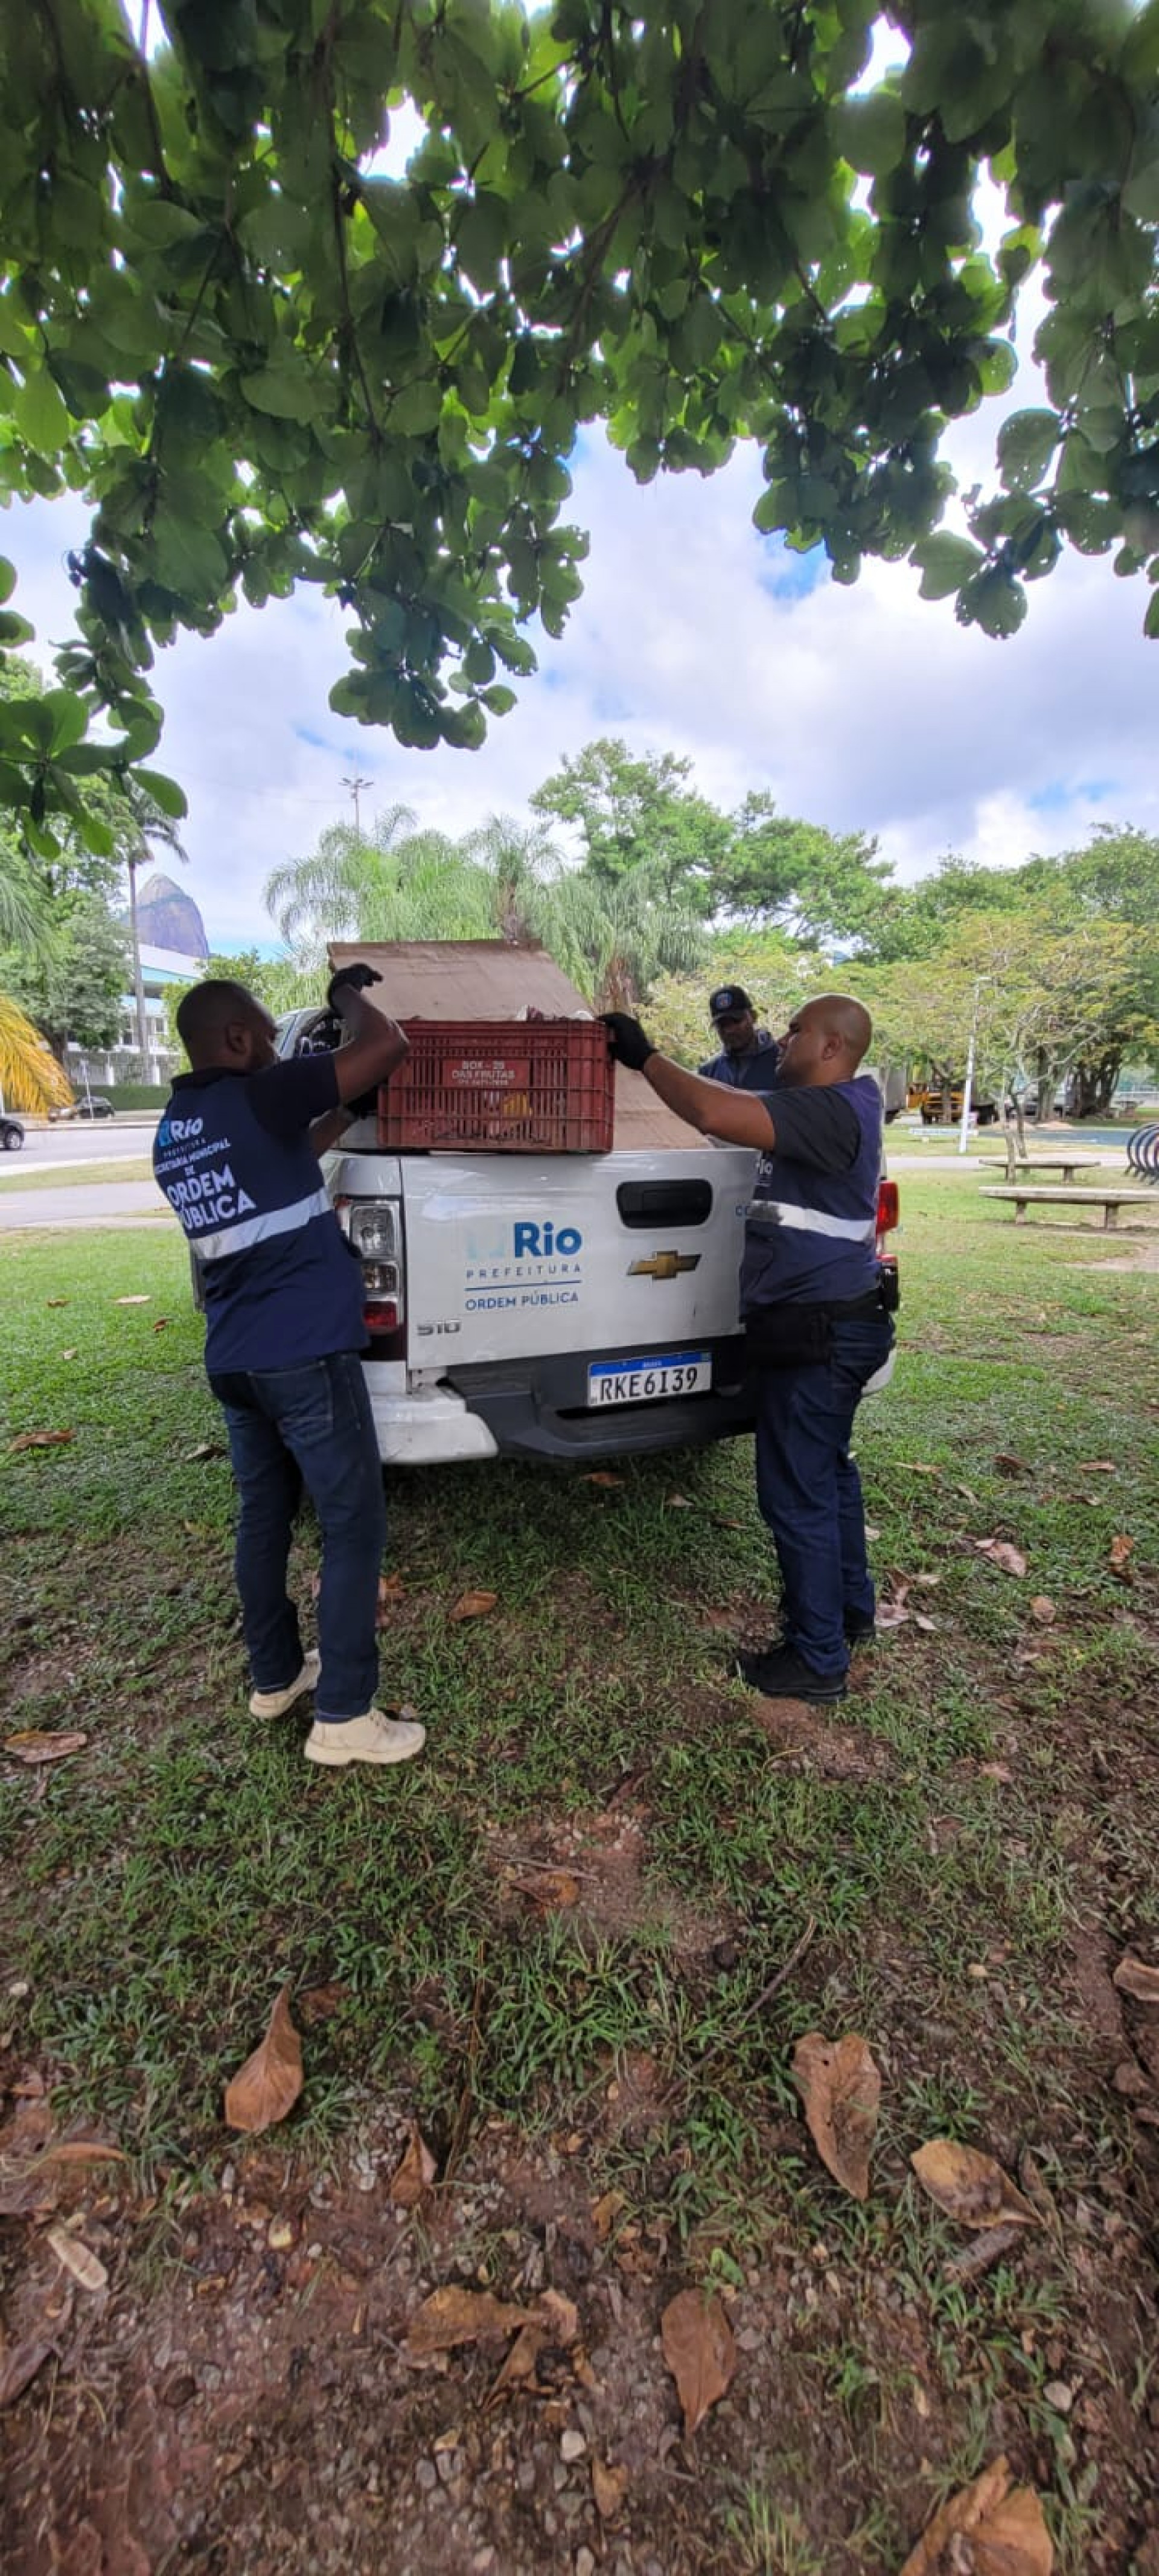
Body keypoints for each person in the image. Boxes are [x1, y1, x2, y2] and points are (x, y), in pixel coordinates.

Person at [153, 967, 426, 1772]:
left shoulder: (177, 1127)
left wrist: (342, 1116)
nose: (275, 1047)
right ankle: (344, 1713)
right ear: (236, 1038)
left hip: (236, 1360)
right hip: (303, 1350)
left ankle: (275, 1677)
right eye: (269, 1034)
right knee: (354, 1522)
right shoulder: (259, 1091)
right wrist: (344, 997)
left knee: (263, 1518)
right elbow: (388, 1045)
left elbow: (277, 1162)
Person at [601, 995, 893, 1704]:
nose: (782, 1041)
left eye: (796, 1033)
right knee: (828, 1476)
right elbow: (728, 1111)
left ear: (832, 1047)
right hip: (829, 1324)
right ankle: (852, 1614)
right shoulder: (816, 1109)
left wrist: (641, 1056)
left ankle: (816, 1660)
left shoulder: (832, 1109)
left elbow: (713, 1112)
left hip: (819, 1333)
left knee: (797, 1494)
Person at [698, 985, 779, 1090]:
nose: (729, 1030)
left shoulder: (781, 1061)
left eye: (736, 1021)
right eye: (723, 1025)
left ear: (753, 1017)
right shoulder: (708, 1073)